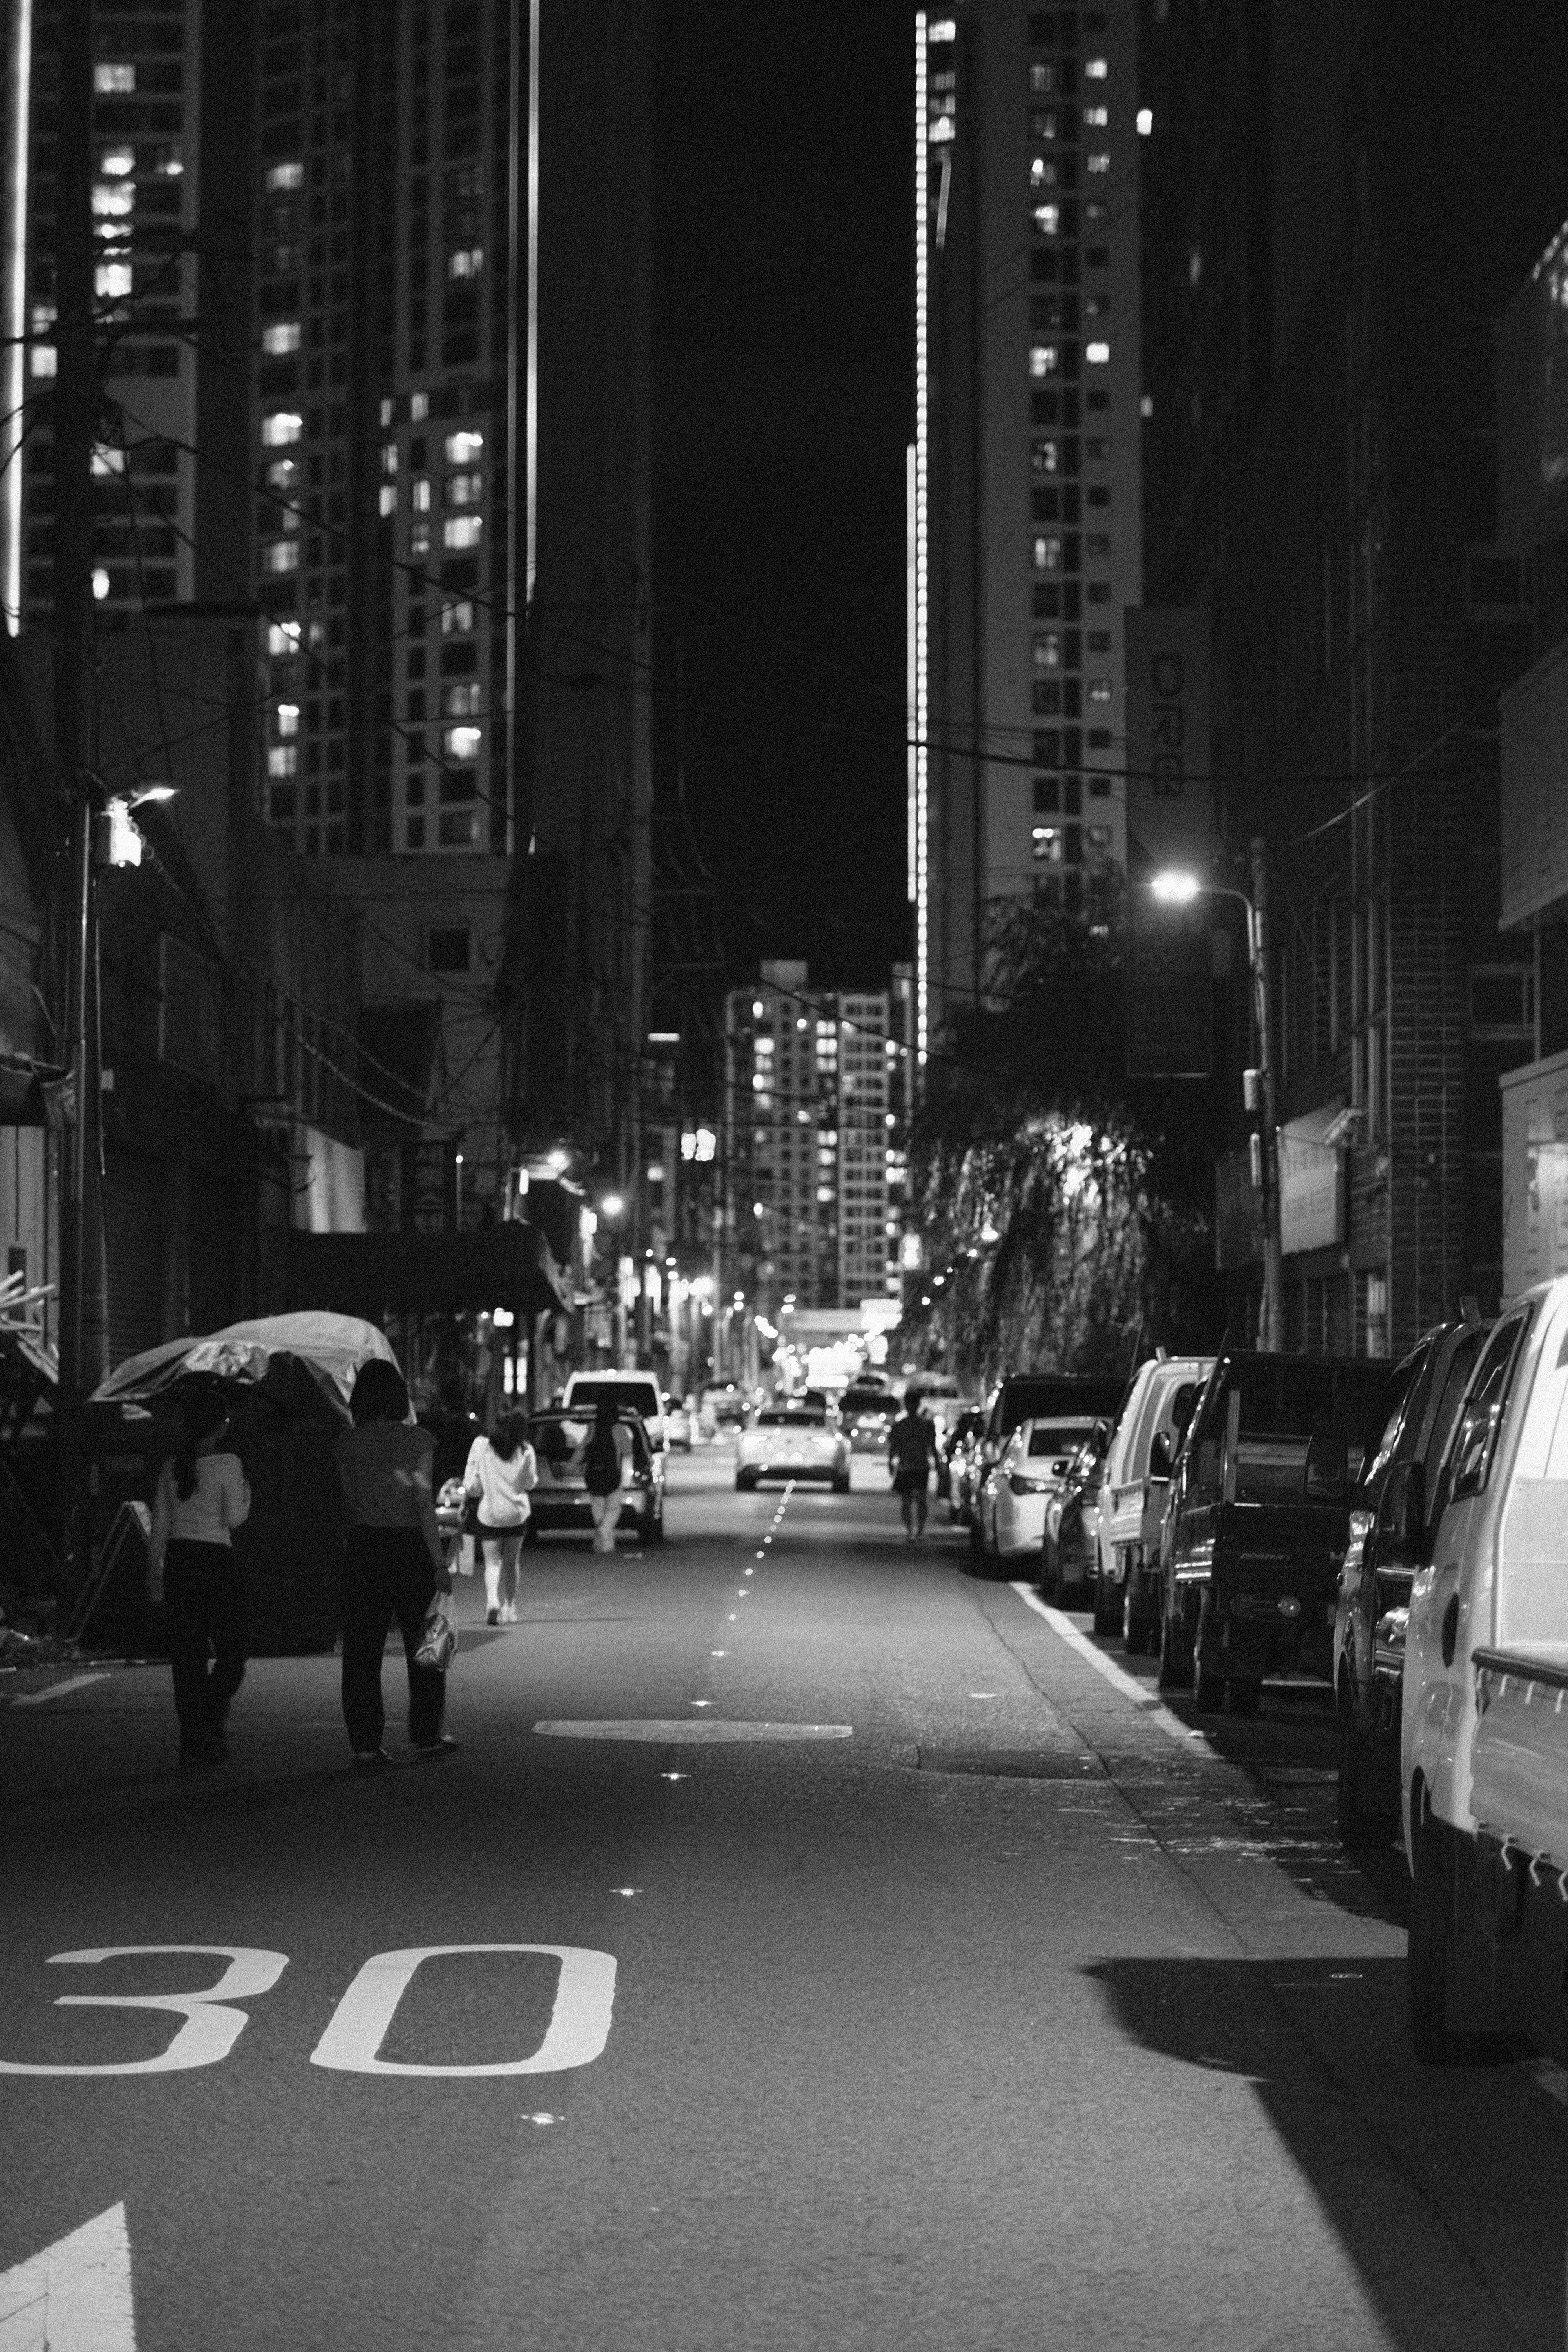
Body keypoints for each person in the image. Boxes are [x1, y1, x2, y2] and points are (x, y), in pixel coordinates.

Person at [333, 1358, 456, 1767]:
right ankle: (426, 1735)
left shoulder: (346, 1444)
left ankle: (366, 1745)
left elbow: (349, 1504)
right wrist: (439, 1564)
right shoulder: (418, 1441)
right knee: (423, 1645)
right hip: (409, 1548)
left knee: (362, 1652)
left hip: (364, 1548)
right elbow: (423, 1504)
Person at [146, 1384, 252, 1769]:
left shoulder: (171, 1466)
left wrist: (153, 1574)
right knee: (233, 1652)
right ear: (221, 1425)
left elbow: (160, 1525)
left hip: (180, 1562)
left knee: (187, 1658)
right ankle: (207, 1723)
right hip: (217, 1562)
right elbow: (234, 1519)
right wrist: (248, 1494)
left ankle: (195, 1740)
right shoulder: (229, 1463)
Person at [463, 1408, 537, 1624]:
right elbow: (529, 1484)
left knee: (492, 1563)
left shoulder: (481, 1445)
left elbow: (472, 1485)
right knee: (512, 1562)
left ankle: (492, 1600)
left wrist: (473, 1494)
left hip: (490, 1513)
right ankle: (510, 1608)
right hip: (516, 1514)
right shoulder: (526, 1451)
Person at [581, 1394, 634, 1554]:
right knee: (613, 1510)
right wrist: (627, 1477)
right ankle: (603, 1533)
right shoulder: (620, 1430)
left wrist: (572, 1463)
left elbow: (583, 1449)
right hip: (613, 1476)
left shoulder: (593, 1427)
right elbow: (628, 1453)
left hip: (594, 1475)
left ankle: (604, 1545)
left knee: (598, 1508)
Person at [888, 1387, 939, 1544]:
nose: (912, 1407)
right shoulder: (900, 1426)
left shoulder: (926, 1425)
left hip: (920, 1467)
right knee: (907, 1501)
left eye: (914, 1404)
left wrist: (937, 1463)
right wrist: (890, 1463)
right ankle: (911, 1531)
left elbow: (932, 1446)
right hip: (906, 1468)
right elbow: (894, 1447)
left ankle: (920, 1531)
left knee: (921, 1499)